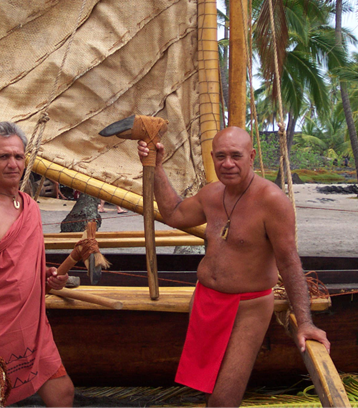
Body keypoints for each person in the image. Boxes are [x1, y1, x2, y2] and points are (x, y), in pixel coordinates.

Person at [138, 126, 329, 407]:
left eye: (236, 156)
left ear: (251, 156)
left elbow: (289, 263)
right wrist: (157, 166)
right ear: (213, 158)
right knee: (205, 388)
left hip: (248, 307)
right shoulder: (212, 193)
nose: (227, 164)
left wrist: (305, 323)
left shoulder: (272, 200)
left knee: (223, 399)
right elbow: (174, 214)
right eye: (221, 156)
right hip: (205, 299)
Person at [0, 122, 74, 408]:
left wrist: (45, 276)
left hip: (33, 328)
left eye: (18, 157)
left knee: (63, 393)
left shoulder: (28, 205)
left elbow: (16, 265)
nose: (13, 164)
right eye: (3, 157)